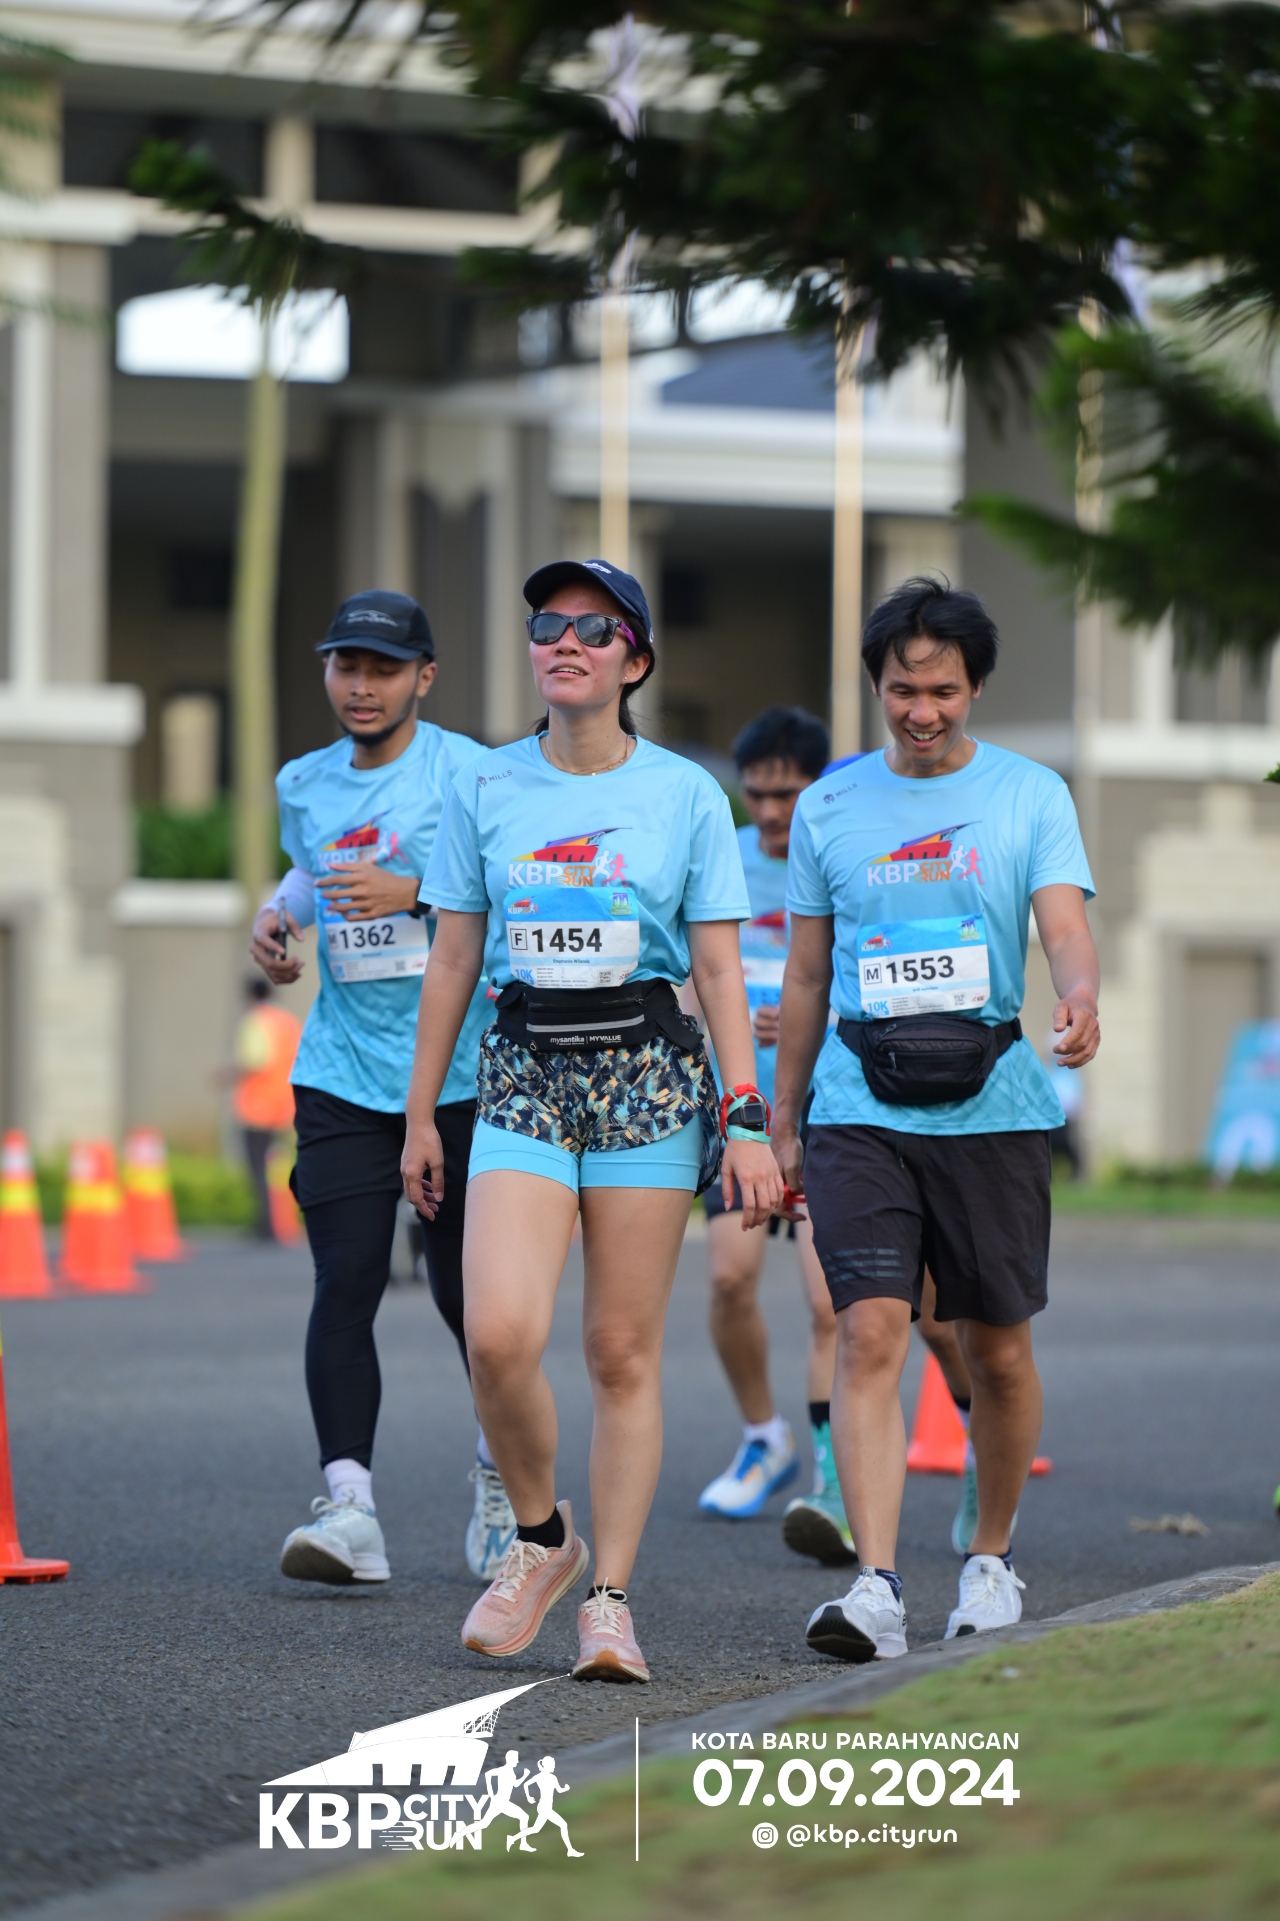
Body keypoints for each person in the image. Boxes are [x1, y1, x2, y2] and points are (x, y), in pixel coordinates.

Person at [403, 557, 781, 1684]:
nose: (563, 641)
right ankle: (540, 1539)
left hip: (644, 1078)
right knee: (497, 1334)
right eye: (546, 624)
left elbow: (719, 970)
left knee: (619, 1351)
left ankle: (608, 1599)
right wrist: (420, 1114)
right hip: (522, 1072)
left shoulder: (684, 794)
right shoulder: (485, 785)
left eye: (593, 627)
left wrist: (746, 1117)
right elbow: (454, 958)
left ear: (635, 661)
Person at [772, 576, 1100, 1660]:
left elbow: (1063, 924)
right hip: (856, 1105)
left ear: (976, 688)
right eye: (902, 690)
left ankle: (989, 1559)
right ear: (875, 684)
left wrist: (1079, 994)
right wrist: (782, 1113)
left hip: (994, 1107)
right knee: (870, 1329)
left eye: (943, 691)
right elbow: (807, 972)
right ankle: (874, 1585)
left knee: (994, 1352)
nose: (922, 711)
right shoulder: (827, 807)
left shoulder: (1029, 794)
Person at [249, 588, 516, 1589]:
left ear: (424, 678)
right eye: (345, 665)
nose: (361, 686)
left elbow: (514, 890)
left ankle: (503, 1474)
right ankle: (350, 1508)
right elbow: (309, 870)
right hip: (343, 1072)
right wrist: (278, 913)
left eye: (383, 669)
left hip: (463, 1075)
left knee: (471, 1301)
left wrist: (413, 892)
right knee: (346, 1278)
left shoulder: (471, 773)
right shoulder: (303, 781)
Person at [693, 707, 854, 1566]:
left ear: (817, 789)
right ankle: (766, 1437)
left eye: (785, 795)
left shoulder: (842, 855)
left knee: (831, 1303)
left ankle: (833, 1477)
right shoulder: (722, 857)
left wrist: (804, 1019)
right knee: (727, 1280)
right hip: (743, 1114)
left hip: (830, 1111)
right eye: (755, 794)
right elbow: (691, 967)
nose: (767, 812)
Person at [230, 978, 300, 1239]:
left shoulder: (256, 1020)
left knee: (257, 1166)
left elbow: (256, 1060)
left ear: (250, 995)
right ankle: (282, 1222)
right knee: (278, 1165)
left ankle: (266, 1225)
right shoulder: (287, 1021)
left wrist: (228, 1074)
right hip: (285, 1104)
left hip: (258, 1107)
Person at [523, 1756, 583, 1856]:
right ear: (547, 1765)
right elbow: (526, 1784)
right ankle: (570, 1850)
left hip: (547, 1807)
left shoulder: (553, 1778)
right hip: (544, 1807)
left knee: (535, 1829)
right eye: (552, 1765)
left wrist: (566, 1789)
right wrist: (528, 1797)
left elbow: (559, 1790)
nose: (554, 1767)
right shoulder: (540, 1776)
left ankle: (512, 1838)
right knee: (563, 1825)